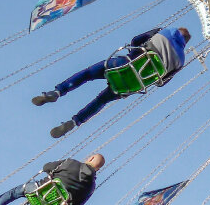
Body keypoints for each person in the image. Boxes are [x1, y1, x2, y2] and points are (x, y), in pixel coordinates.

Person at [32, 28, 190, 138]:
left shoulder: (163, 32)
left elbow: (135, 40)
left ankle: (58, 92)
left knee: (87, 74)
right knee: (101, 100)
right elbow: (162, 83)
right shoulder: (180, 61)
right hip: (132, 84)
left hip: (123, 65)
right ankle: (74, 122)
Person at [0, 154, 103, 205]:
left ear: (91, 158)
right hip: (53, 203)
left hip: (39, 190)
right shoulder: (91, 187)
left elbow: (46, 167)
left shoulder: (71, 163)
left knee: (15, 192)